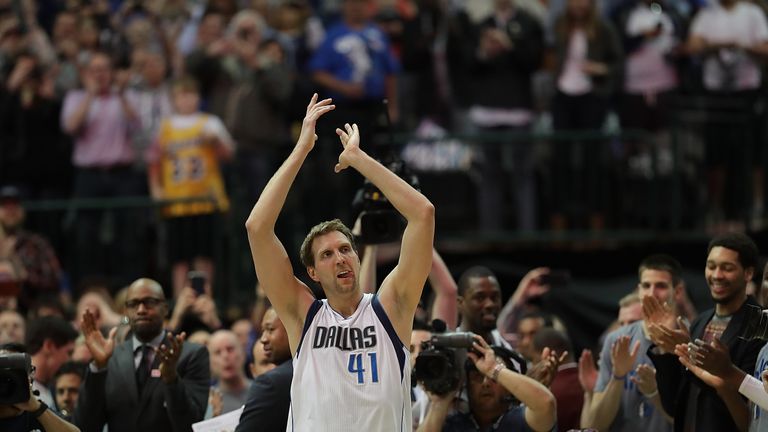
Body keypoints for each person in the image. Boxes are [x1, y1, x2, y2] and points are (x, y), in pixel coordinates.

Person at [245, 94, 435, 431]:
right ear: (313, 273)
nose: (340, 258)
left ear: (357, 256)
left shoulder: (391, 308)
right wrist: (302, 149)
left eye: (346, 249)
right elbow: (257, 228)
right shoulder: (303, 314)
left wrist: (359, 159)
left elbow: (422, 214)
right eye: (327, 254)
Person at [647, 233, 764, 432]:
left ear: (748, 273)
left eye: (727, 268)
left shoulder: (761, 325)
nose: (716, 275)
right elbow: (675, 405)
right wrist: (669, 352)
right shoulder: (701, 321)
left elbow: (753, 413)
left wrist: (720, 379)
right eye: (711, 266)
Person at [74, 278, 210, 432]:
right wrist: (98, 368)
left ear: (165, 308)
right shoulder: (111, 357)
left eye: (149, 302)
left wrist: (171, 379)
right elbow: (85, 426)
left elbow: (191, 425)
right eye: (133, 304)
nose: (141, 310)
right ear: (126, 311)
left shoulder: (191, 354)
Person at [146, 76, 235, 297]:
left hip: (205, 199)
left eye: (191, 94)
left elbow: (229, 155)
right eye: (181, 95)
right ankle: (181, 300)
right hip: (177, 201)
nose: (186, 100)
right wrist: (156, 190)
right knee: (179, 256)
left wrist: (216, 141)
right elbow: (154, 162)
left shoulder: (210, 123)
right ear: (174, 99)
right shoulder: (164, 127)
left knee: (204, 254)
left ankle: (204, 297)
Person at [581, 254, 679, 432]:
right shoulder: (615, 340)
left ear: (677, 292)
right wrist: (618, 377)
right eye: (646, 286)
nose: (652, 293)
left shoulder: (689, 338)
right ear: (638, 290)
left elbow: (687, 419)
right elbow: (595, 426)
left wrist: (655, 392)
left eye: (661, 286)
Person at [417, 336, 557, 432]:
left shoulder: (520, 420)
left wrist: (493, 370)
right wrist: (439, 403)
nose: (485, 383)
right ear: (466, 385)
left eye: (493, 378)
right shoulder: (454, 425)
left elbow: (546, 403)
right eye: (477, 376)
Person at [236, 308, 293, 432]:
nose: (263, 339)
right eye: (263, 331)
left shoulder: (271, 383)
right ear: (252, 370)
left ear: (293, 326)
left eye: (270, 329)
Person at [0, 348, 81, 432]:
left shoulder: (36, 414)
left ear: (29, 378)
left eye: (14, 376)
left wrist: (37, 408)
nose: (5, 384)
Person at [26, 316, 78, 409]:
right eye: (68, 352)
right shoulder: (20, 390)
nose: (70, 360)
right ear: (49, 346)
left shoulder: (52, 389)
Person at [456, 266, 512, 348]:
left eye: (494, 297)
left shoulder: (507, 351)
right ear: (460, 303)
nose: (490, 304)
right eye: (480, 298)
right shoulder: (449, 352)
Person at [208, 330, 252, 414]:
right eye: (218, 352)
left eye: (230, 349)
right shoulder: (208, 403)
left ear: (243, 353)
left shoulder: (261, 391)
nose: (225, 356)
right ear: (210, 362)